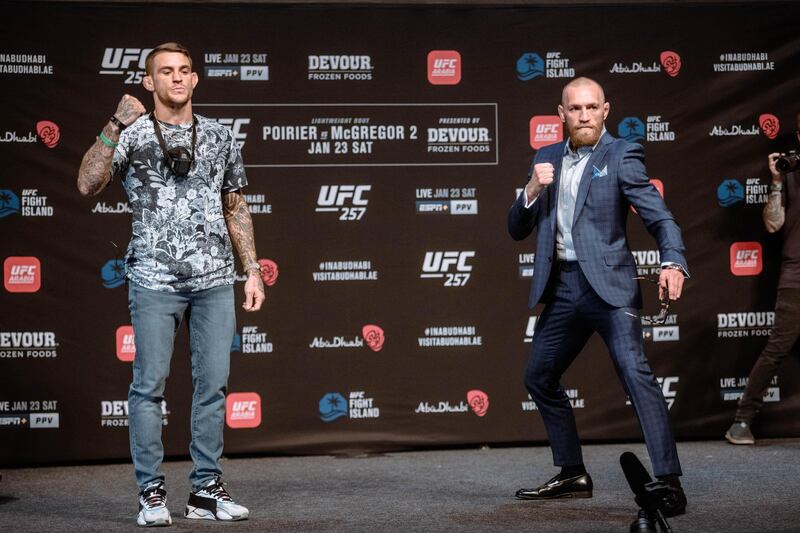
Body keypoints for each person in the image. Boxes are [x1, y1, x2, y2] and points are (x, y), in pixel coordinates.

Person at [77, 42, 265, 526]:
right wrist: (115, 123)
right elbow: (87, 183)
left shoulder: (221, 136)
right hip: (153, 280)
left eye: (184, 71)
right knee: (148, 388)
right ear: (149, 82)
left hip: (215, 279)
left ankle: (205, 490)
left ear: (195, 79)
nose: (177, 78)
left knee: (213, 387)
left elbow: (235, 207)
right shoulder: (133, 134)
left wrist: (253, 271)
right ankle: (151, 494)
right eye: (166, 71)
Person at [507, 77, 688, 516]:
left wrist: (673, 261)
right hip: (563, 289)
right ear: (561, 113)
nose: (583, 115)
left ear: (606, 111)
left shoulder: (622, 154)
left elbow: (660, 218)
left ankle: (668, 483)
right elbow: (515, 228)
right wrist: (531, 190)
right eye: (575, 108)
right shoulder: (545, 158)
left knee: (634, 372)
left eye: (591, 107)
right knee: (539, 376)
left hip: (609, 289)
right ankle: (572, 473)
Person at [725, 115, 800, 445]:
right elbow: (772, 225)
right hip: (796, 275)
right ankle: (741, 422)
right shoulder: (789, 171)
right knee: (777, 349)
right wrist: (775, 181)